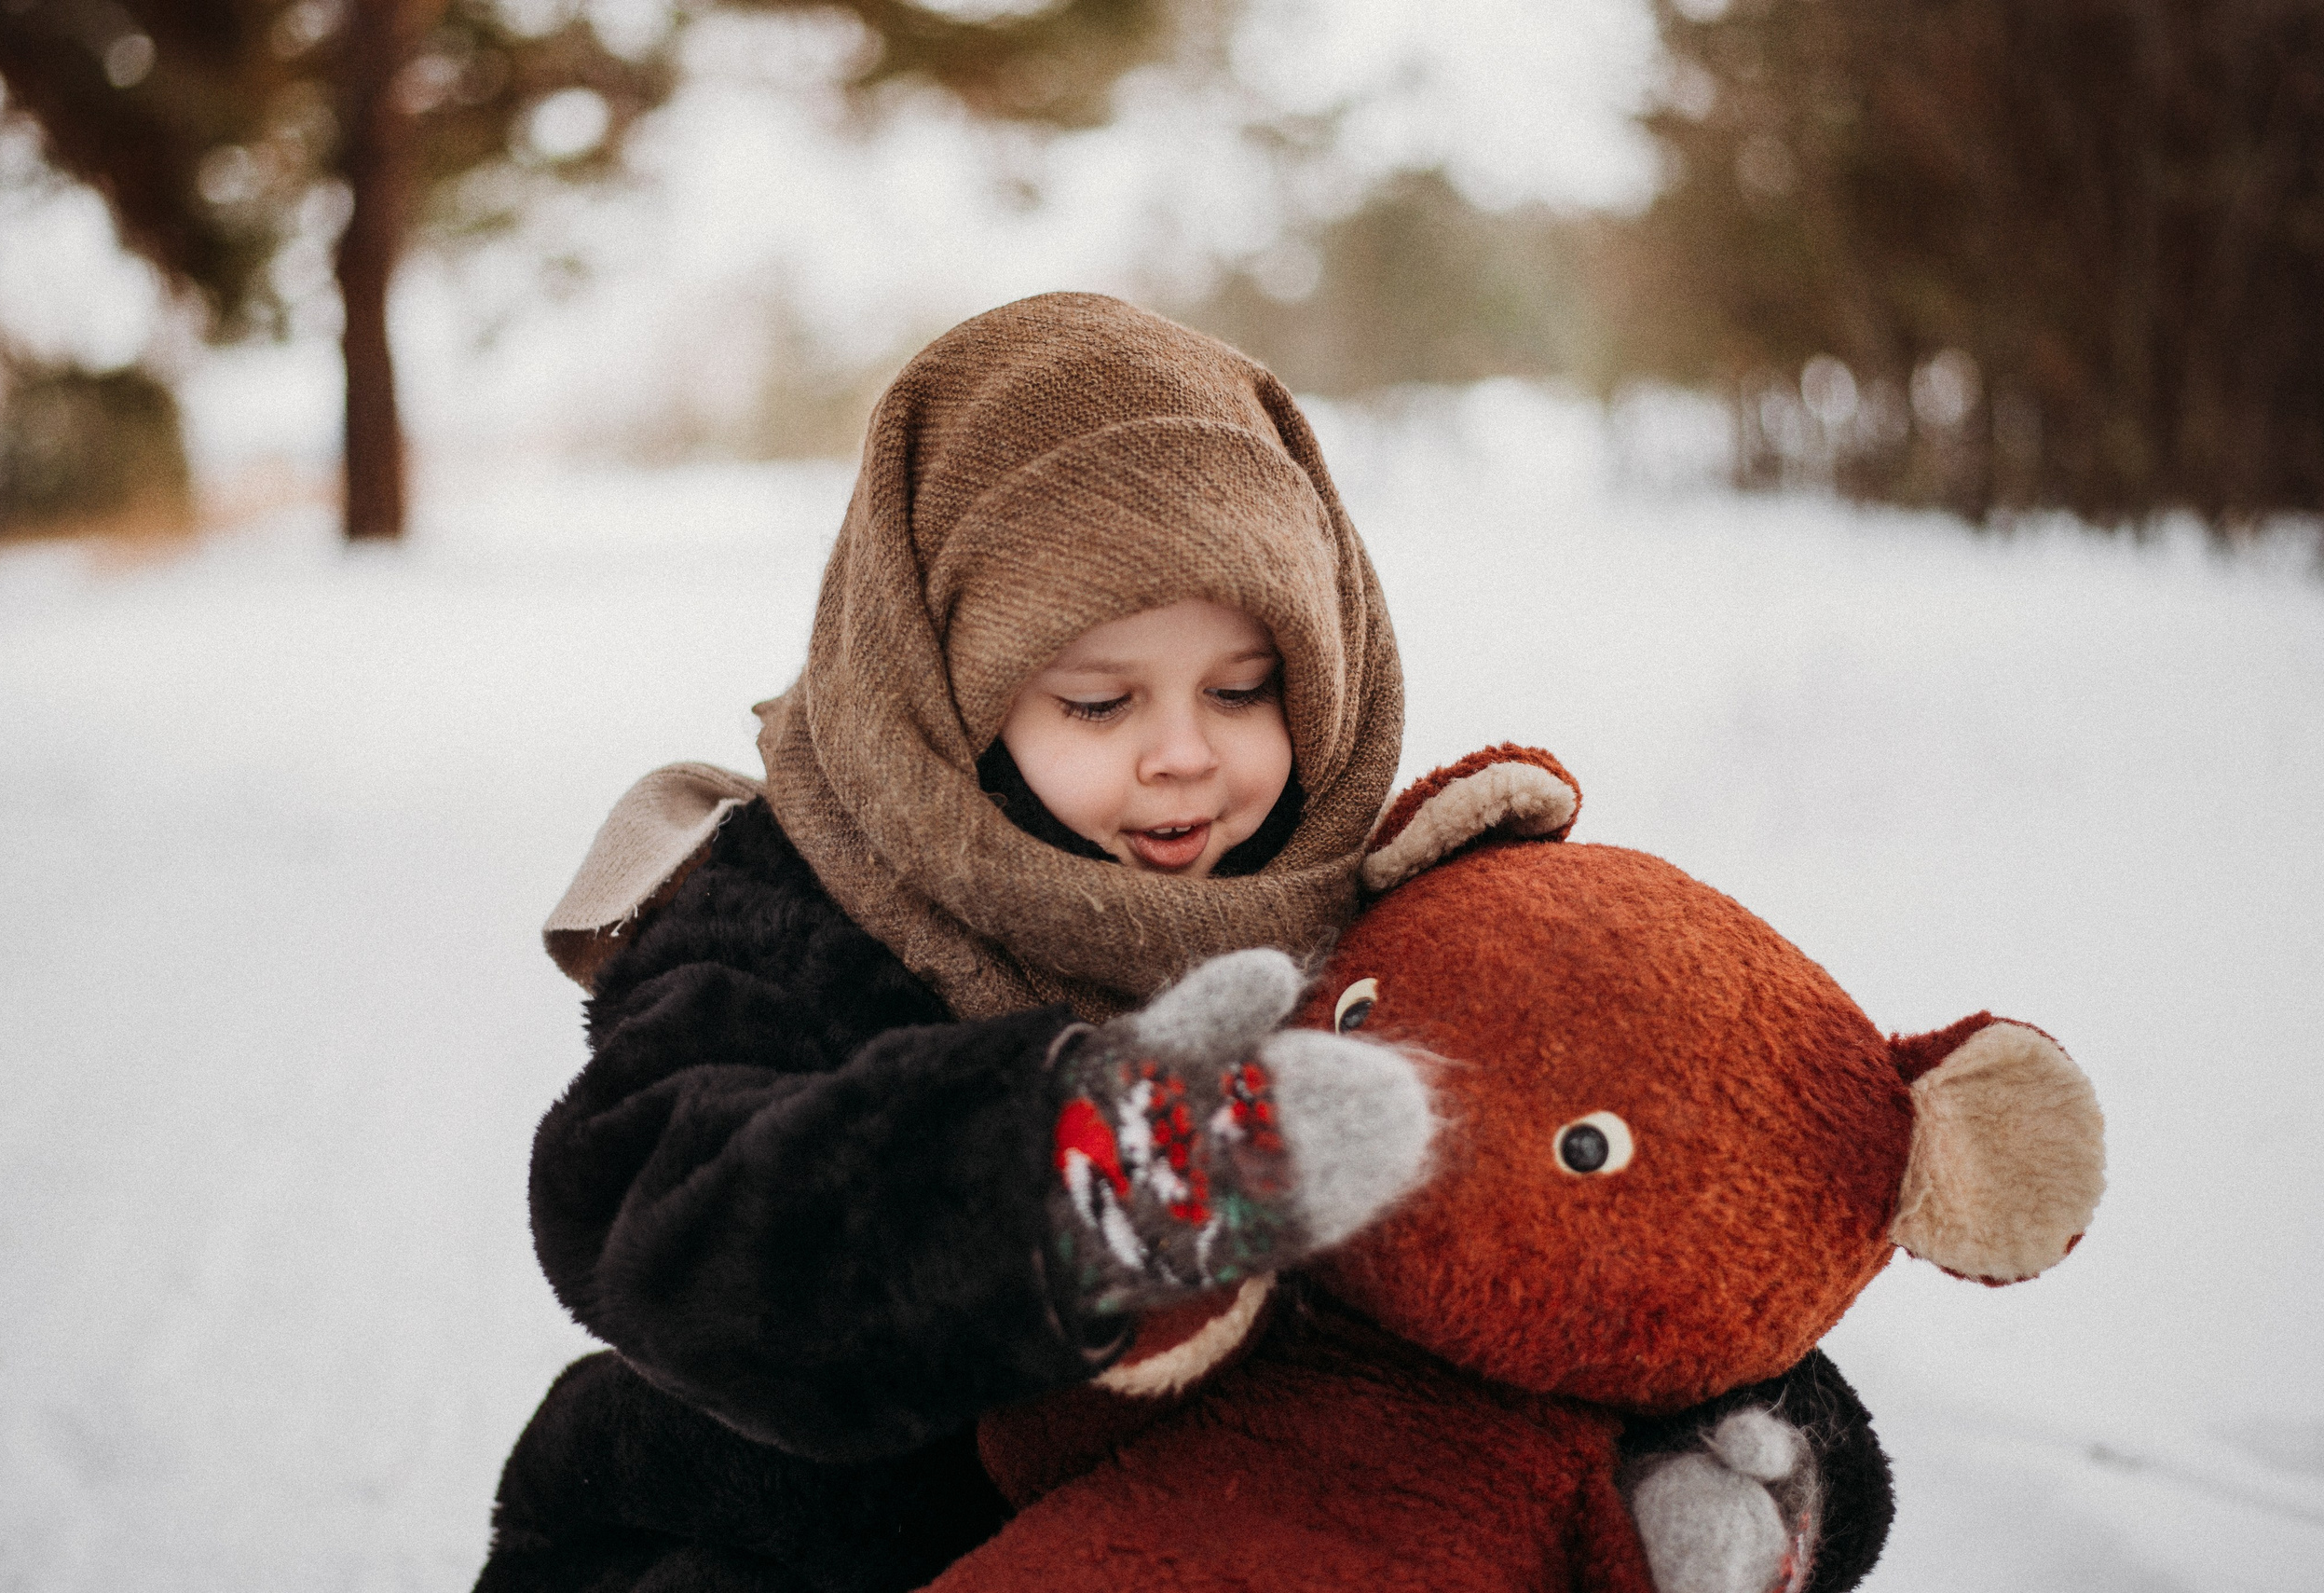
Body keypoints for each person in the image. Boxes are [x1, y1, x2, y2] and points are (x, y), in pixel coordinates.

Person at [474, 294, 1892, 1593]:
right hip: (785, 1540)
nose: (1183, 757)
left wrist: (1729, 1438)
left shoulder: (1374, 911)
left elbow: (1590, 1200)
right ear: (949, 689)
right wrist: (1084, 1185)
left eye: (1243, 687)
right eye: (1098, 701)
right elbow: (660, 1202)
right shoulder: (795, 903)